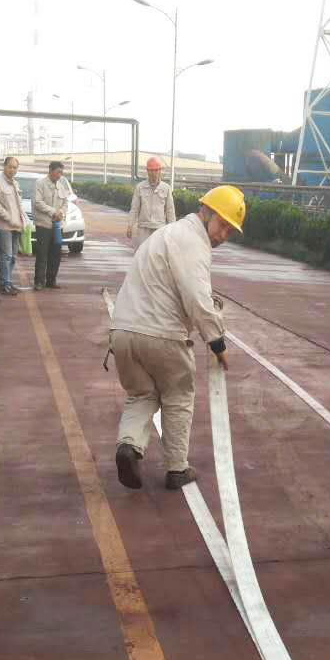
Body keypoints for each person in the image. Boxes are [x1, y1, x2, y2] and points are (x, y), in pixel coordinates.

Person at [110, 185, 244, 491]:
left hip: (123, 331)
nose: (224, 235)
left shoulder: (165, 234)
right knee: (178, 395)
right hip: (163, 334)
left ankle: (128, 447)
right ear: (205, 212)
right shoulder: (193, 242)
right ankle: (177, 468)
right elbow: (198, 299)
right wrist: (217, 341)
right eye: (222, 225)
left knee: (141, 394)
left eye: (230, 231)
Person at [0, 156, 26, 294]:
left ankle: (8, 282)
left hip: (16, 225)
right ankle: (4, 285)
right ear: (4, 166)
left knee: (13, 257)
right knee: (6, 255)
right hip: (4, 225)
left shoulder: (15, 183)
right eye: (10, 167)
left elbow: (18, 206)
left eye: (15, 167)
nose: (12, 170)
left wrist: (23, 221)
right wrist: (9, 218)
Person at [32, 161, 66, 291]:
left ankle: (51, 280)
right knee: (42, 254)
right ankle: (39, 281)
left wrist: (61, 212)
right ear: (50, 170)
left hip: (57, 226)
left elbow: (65, 203)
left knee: (56, 254)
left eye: (61, 172)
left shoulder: (61, 186)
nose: (60, 175)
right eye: (58, 172)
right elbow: (37, 202)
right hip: (43, 225)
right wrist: (53, 212)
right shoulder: (40, 183)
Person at [127, 156, 175, 248]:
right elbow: (134, 209)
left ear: (160, 171)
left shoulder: (166, 188)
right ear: (147, 171)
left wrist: (172, 229)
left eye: (156, 170)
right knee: (141, 253)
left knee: (158, 254)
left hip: (159, 228)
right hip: (143, 229)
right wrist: (130, 225)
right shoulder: (140, 187)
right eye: (151, 170)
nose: (154, 173)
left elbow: (170, 210)